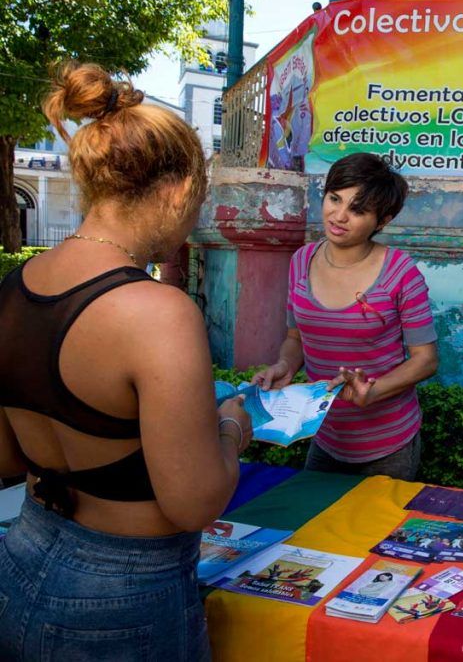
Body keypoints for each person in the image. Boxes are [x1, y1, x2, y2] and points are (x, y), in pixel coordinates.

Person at [0, 63, 253, 661]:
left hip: (23, 557)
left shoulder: (13, 288)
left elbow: (7, 459)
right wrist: (231, 427)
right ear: (174, 190)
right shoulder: (155, 312)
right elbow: (194, 501)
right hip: (124, 592)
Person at [254, 152, 438, 481]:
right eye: (334, 199)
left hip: (389, 444)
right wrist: (284, 366)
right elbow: (295, 338)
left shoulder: (400, 272)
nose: (339, 216)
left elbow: (426, 360)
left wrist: (375, 390)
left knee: (375, 532)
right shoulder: (301, 260)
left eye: (357, 209)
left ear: (382, 220)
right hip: (325, 437)